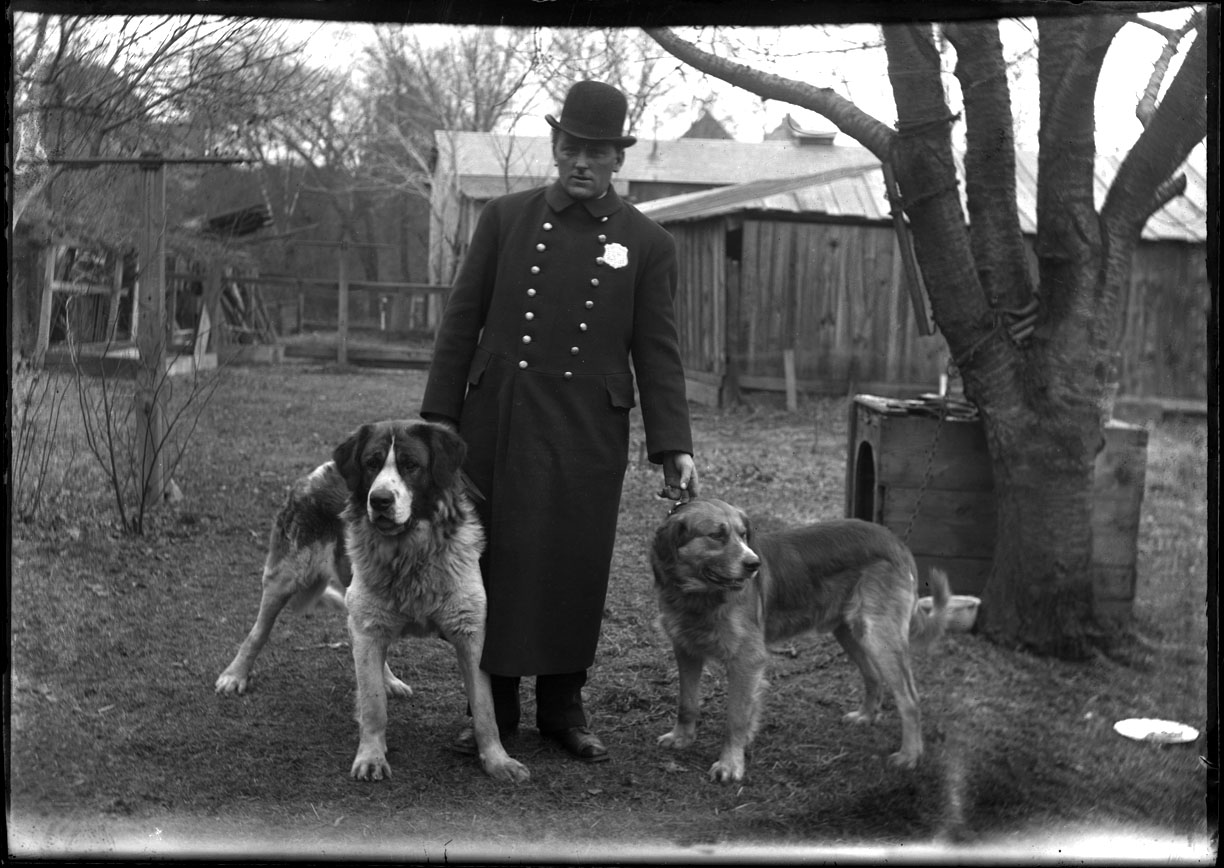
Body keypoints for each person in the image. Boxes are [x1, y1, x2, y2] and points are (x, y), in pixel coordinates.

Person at [420, 80, 699, 763]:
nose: (581, 163)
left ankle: (564, 706)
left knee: (574, 561)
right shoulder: (506, 220)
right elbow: (461, 323)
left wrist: (673, 445)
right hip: (498, 418)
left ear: (616, 160)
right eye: (571, 148)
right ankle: (493, 705)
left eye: (596, 153)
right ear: (554, 146)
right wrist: (436, 421)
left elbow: (656, 351)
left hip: (586, 428)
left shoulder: (647, 242)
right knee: (501, 557)